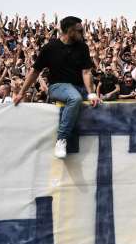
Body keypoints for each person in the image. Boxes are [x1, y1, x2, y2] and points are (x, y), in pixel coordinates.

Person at [13, 16, 100, 159]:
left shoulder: (82, 46)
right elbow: (35, 72)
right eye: (80, 30)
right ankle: (61, 139)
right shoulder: (50, 47)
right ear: (70, 30)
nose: (83, 33)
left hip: (79, 87)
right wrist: (22, 93)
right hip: (58, 86)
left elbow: (86, 72)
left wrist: (91, 93)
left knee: (98, 103)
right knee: (75, 99)